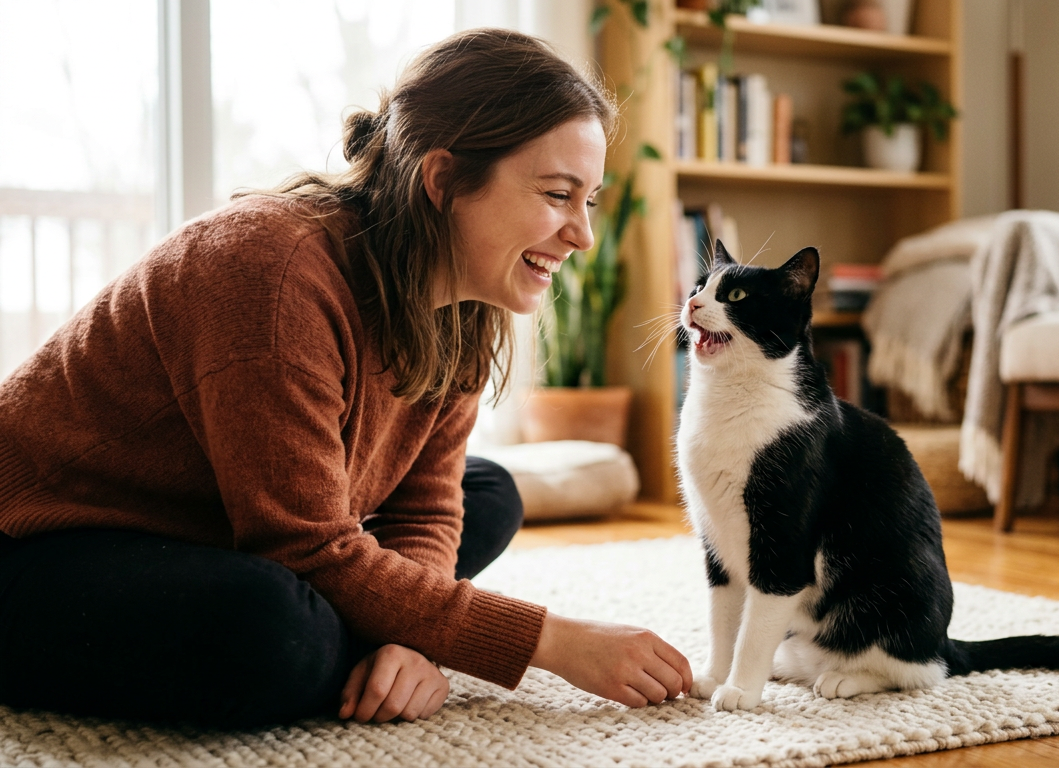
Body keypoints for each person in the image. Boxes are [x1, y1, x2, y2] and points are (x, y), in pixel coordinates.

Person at [0, 28, 692, 729]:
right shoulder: (268, 269)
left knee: (489, 492)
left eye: (591, 200)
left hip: (219, 531)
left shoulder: (461, 306)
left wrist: (416, 639)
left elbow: (424, 510)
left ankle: (362, 637)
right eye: (556, 194)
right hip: (45, 538)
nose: (583, 235)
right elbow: (304, 547)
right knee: (273, 631)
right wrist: (550, 641)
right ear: (444, 179)